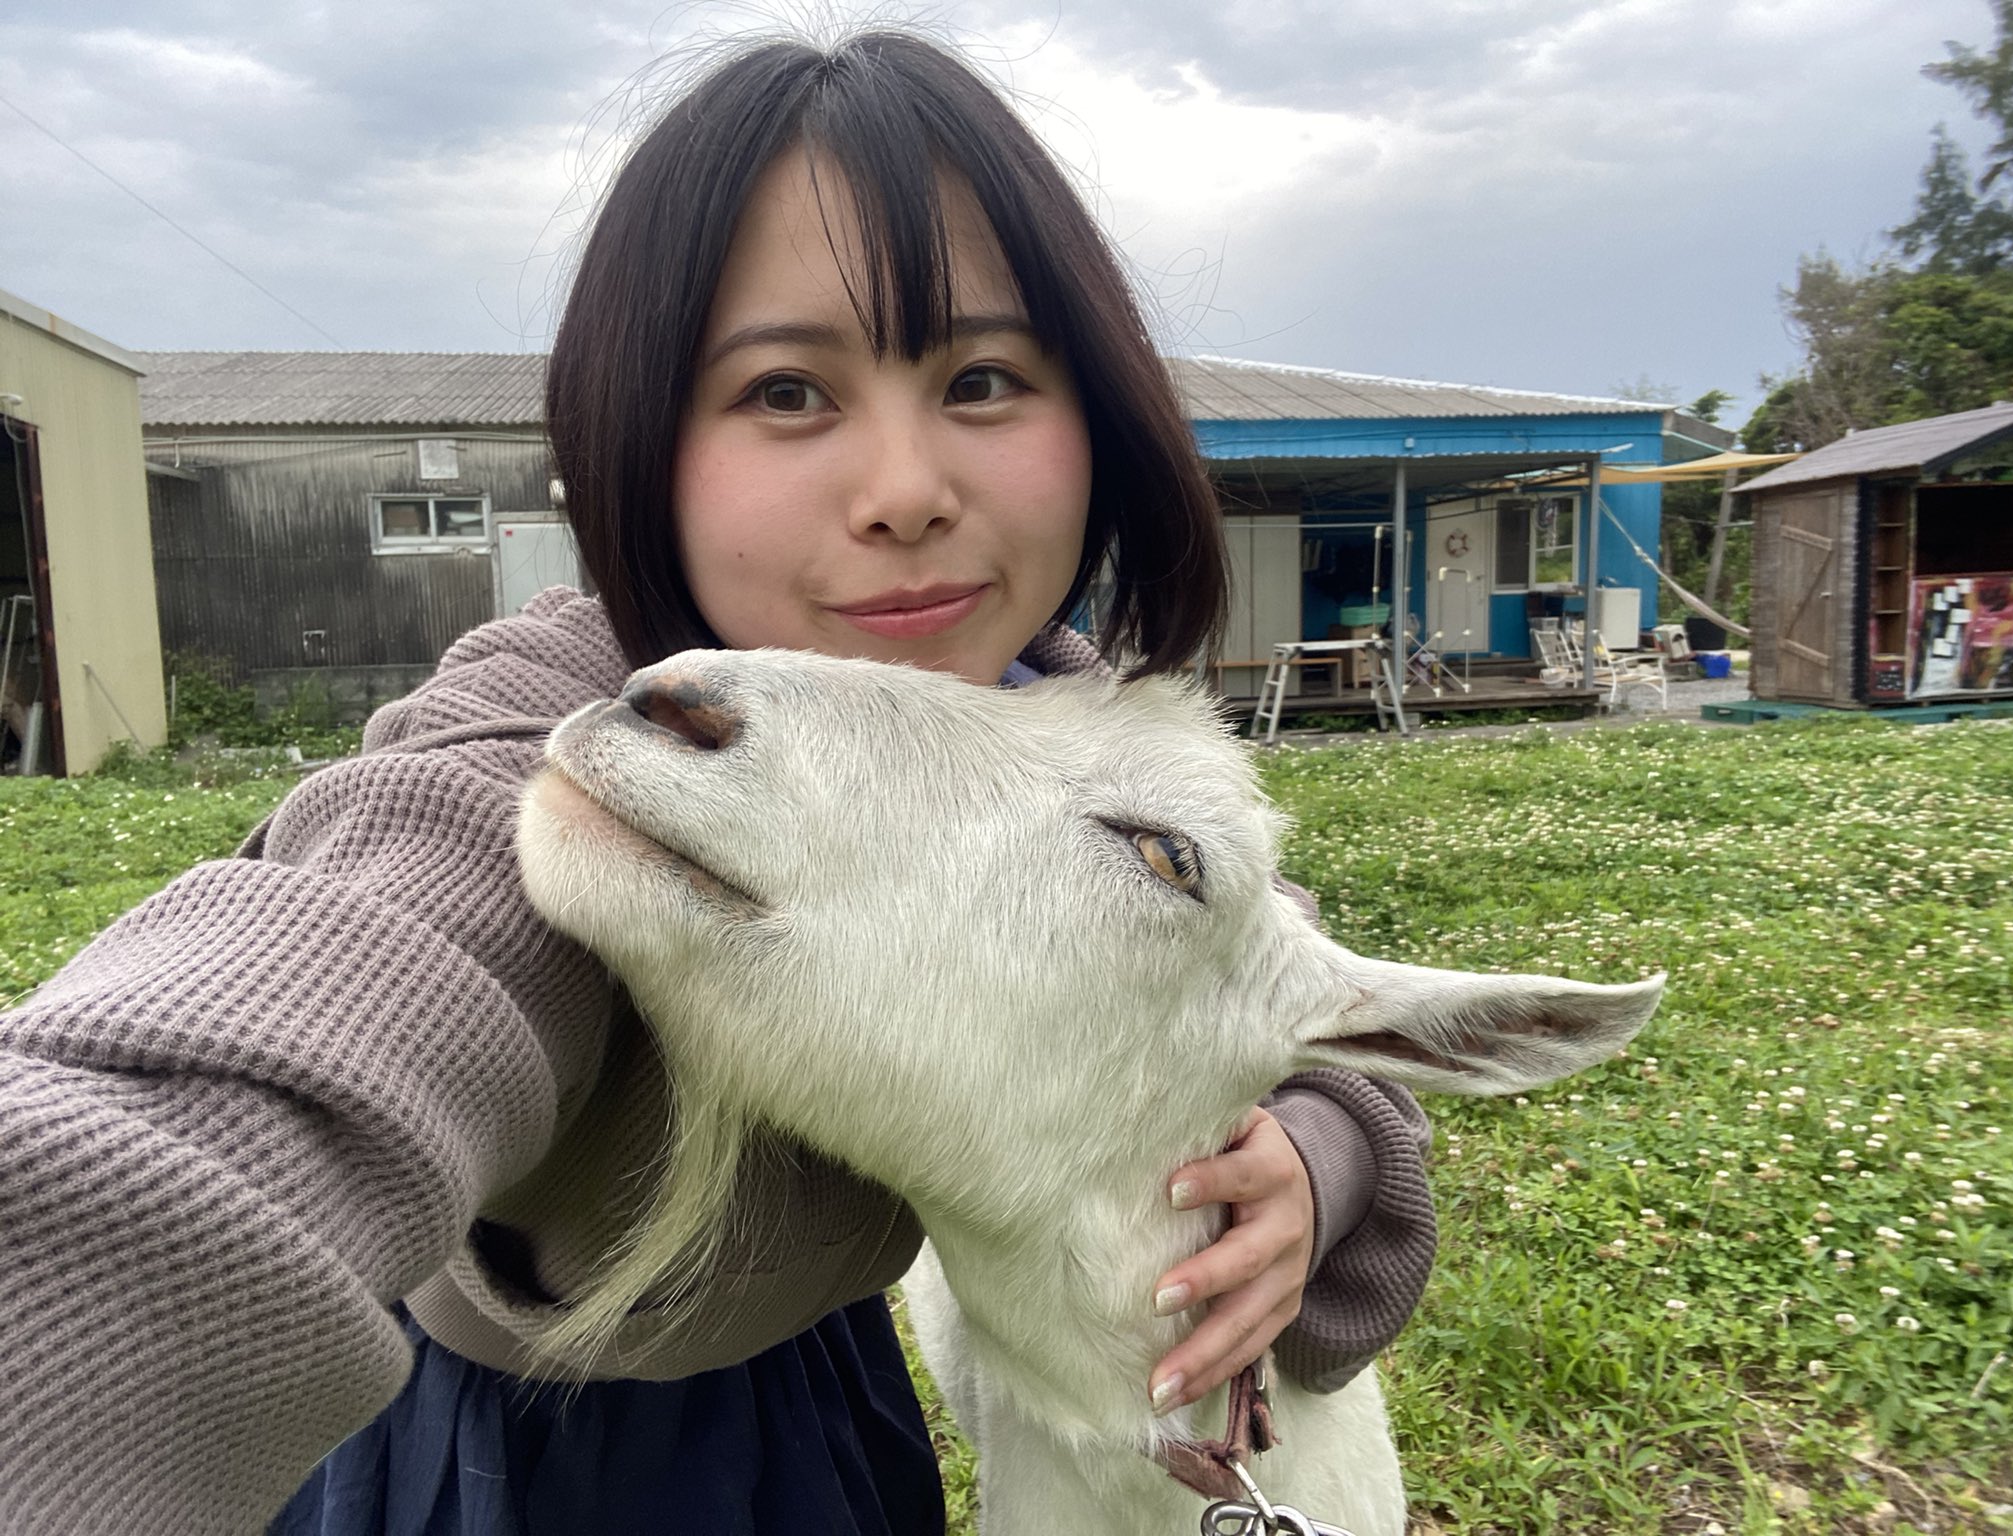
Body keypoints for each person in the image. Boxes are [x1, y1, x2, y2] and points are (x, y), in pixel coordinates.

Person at [0, 30, 1436, 1536]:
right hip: (494, 1464)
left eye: (989, 377)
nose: (903, 494)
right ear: (646, 442)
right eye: (786, 393)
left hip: (824, 1400)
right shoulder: (569, 739)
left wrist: (1319, 1155)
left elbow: (1255, 964)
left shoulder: (1057, 715)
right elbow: (317, 1029)